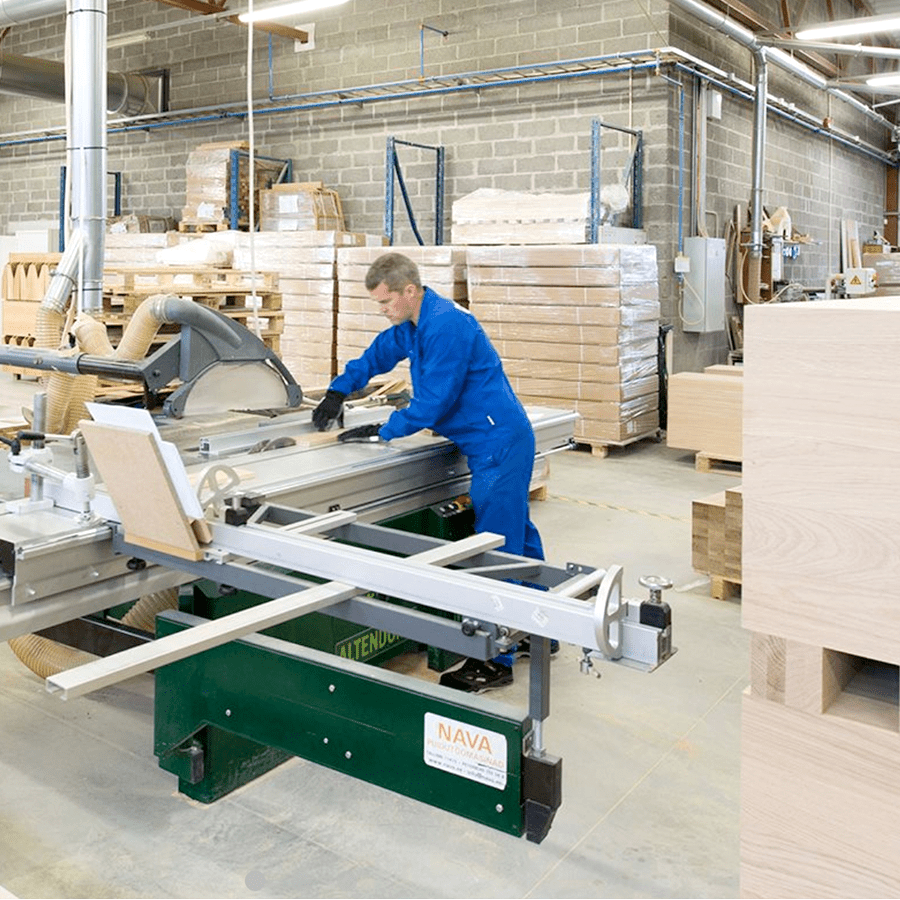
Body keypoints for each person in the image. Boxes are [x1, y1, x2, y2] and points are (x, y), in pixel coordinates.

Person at [312, 251, 544, 690]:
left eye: (386, 303)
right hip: (490, 440)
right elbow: (381, 352)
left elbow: (434, 401)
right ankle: (538, 625)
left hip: (497, 443)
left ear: (409, 291)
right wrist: (339, 389)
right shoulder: (417, 323)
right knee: (519, 535)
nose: (383, 311)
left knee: (496, 550)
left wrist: (385, 430)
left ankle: (498, 658)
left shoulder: (445, 327)